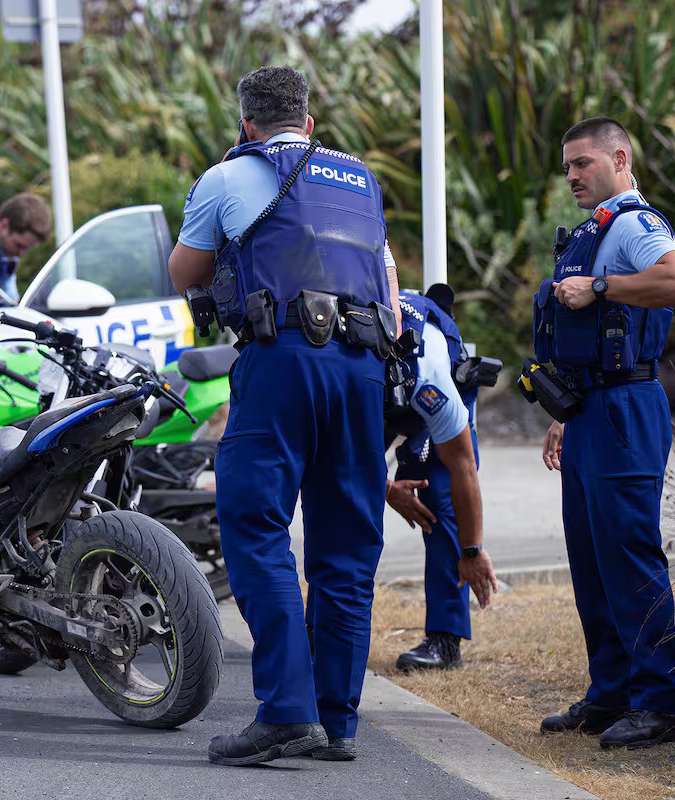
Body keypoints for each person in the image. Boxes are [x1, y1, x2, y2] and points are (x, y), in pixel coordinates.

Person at [169, 65, 403, 766]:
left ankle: (285, 713)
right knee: (347, 545)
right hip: (364, 364)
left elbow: (184, 273)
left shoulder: (226, 176)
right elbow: (387, 281)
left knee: (255, 524)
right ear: (308, 120)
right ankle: (337, 722)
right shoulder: (358, 182)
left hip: (285, 359)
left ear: (247, 123)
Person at [533, 117, 675, 750]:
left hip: (627, 411)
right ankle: (610, 693)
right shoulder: (594, 228)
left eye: (583, 163)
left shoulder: (633, 223)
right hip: (591, 411)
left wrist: (599, 285)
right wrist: (562, 414)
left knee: (629, 558)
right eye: (568, 166)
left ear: (619, 159)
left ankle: (659, 706)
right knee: (593, 560)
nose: (572, 176)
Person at [383, 286, 499, 672]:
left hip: (427, 377)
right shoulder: (340, 365)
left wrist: (472, 551)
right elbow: (336, 459)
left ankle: (445, 642)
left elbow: (463, 468)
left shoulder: (430, 380)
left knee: (441, 501)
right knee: (346, 494)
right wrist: (384, 489)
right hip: (375, 391)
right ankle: (325, 626)